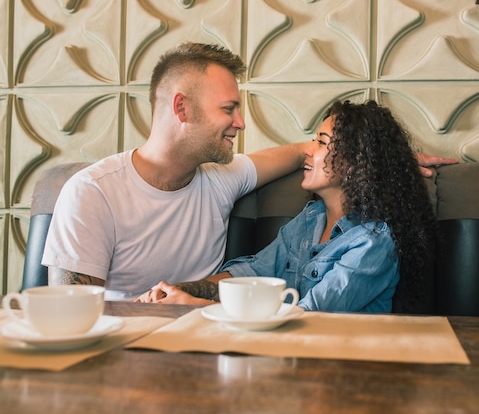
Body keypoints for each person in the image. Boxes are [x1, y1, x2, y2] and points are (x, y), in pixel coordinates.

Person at [43, 42, 455, 301]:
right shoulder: (91, 192)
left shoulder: (223, 177)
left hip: (211, 347)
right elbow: (68, 315)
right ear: (181, 108)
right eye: (229, 109)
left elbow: (301, 153)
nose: (241, 123)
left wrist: (383, 160)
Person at [137, 100, 438, 314]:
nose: (308, 149)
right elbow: (254, 270)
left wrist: (197, 308)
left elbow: (307, 316)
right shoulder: (310, 220)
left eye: (321, 141)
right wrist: (181, 291)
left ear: (354, 164)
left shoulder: (373, 243)